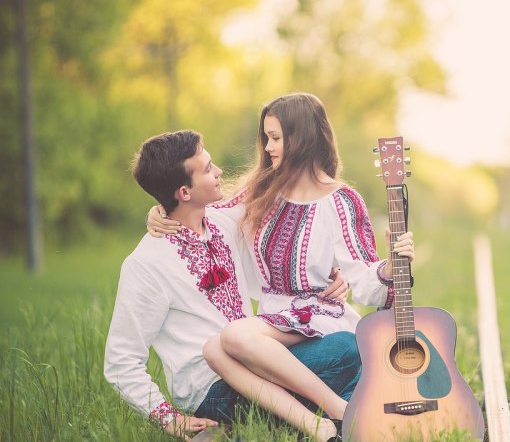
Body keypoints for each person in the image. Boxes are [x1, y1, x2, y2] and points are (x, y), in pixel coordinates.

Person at [147, 92, 415, 428]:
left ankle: (338, 410)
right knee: (216, 349)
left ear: (301, 138)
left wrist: (390, 267)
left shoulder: (342, 200)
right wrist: (160, 209)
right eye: (266, 138)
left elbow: (364, 278)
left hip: (319, 319)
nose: (268, 147)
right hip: (271, 326)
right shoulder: (262, 190)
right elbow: (207, 215)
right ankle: (328, 418)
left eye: (275, 138)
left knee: (233, 338)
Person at [105, 130, 359, 442]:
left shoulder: (224, 222)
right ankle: (321, 422)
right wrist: (169, 419)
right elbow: (121, 361)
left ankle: (268, 432)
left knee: (350, 347)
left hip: (259, 358)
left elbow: (284, 213)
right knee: (348, 353)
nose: (219, 172)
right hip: (212, 389)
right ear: (184, 192)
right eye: (208, 168)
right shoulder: (146, 264)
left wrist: (331, 276)